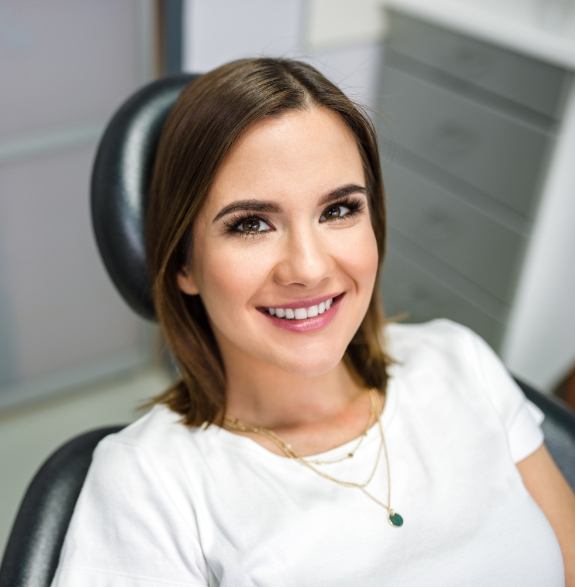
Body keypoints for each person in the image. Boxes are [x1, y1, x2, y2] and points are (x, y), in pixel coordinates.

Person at [52, 57, 574, 586]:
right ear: (184, 262)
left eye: (338, 210)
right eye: (251, 223)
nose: (309, 267)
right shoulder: (146, 483)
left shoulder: (460, 362)